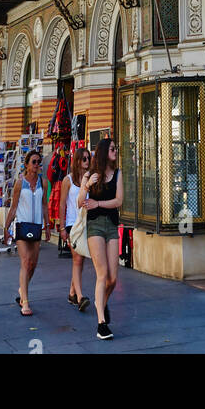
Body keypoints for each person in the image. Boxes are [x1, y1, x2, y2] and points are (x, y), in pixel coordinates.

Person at [79, 138, 123, 341]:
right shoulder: (90, 175)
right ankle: (101, 324)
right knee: (102, 274)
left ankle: (101, 302)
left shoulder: (117, 174)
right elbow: (80, 202)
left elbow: (119, 201)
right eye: (113, 149)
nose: (116, 151)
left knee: (113, 279)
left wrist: (98, 203)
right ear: (105, 152)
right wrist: (87, 185)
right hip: (95, 226)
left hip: (112, 226)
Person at [4, 151, 50, 315]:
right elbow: (14, 207)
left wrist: (48, 224)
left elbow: (44, 205)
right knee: (25, 261)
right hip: (22, 226)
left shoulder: (42, 183)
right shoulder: (19, 183)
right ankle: (25, 303)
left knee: (33, 264)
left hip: (36, 226)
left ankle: (22, 289)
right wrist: (6, 228)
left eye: (39, 162)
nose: (37, 165)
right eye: (34, 162)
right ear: (27, 165)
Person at [59, 147, 90, 311]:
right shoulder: (68, 180)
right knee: (77, 259)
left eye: (88, 158)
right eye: (83, 159)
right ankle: (80, 297)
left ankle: (72, 292)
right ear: (77, 161)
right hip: (72, 224)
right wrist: (62, 227)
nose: (87, 162)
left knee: (81, 259)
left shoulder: (90, 179)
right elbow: (62, 203)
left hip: (86, 222)